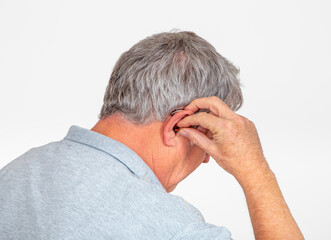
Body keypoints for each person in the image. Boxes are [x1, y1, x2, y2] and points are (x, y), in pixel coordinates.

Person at [0, 31, 304, 239]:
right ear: (179, 126)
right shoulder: (173, 228)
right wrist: (256, 171)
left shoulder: (14, 175)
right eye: (207, 144)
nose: (208, 159)